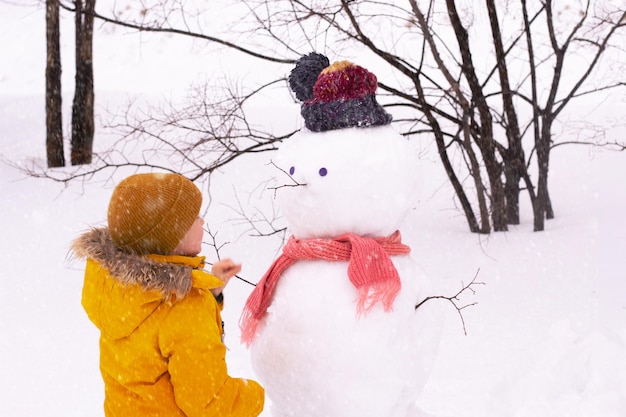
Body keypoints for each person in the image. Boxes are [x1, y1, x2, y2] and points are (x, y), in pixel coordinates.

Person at [71, 172, 264, 417]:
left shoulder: (119, 287)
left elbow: (155, 335)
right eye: (194, 218)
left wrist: (211, 293)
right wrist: (258, 394)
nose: (202, 222)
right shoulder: (183, 306)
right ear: (172, 237)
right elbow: (210, 405)